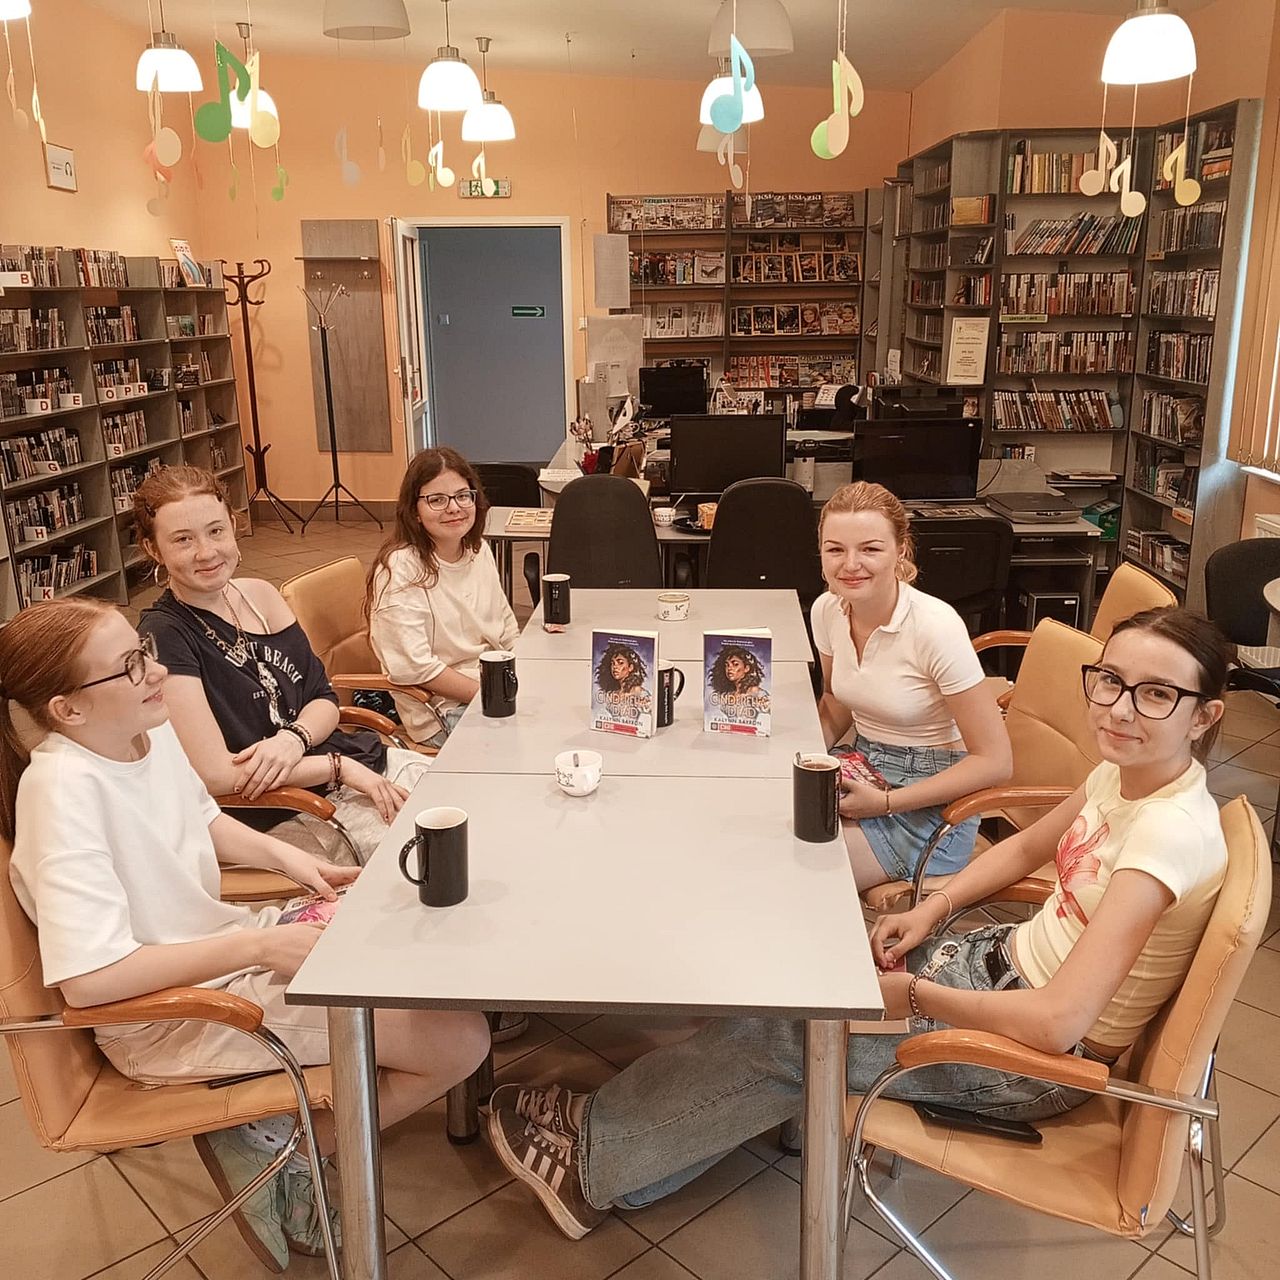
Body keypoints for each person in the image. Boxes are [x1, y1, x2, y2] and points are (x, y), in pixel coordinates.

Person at [487, 607, 1232, 1238]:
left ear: (1205, 715)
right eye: (1111, 681)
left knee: (795, 1034)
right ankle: (637, 1153)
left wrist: (915, 995)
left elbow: (1057, 1022)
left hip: (1025, 1059)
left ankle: (592, 1161)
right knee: (796, 978)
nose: (1120, 709)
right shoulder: (1125, 775)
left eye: (1156, 694)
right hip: (992, 967)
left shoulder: (1167, 836)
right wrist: (934, 908)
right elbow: (1027, 847)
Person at [2, 598, 489, 1270]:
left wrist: (296, 863)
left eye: (145, 653)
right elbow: (89, 981)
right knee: (460, 1040)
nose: (155, 672)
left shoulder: (144, 732)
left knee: (421, 944)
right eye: (130, 667)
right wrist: (257, 946)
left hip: (225, 955)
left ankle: (277, 1131)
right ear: (68, 709)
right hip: (170, 1017)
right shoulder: (62, 792)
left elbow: (202, 819)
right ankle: (287, 1146)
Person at [135, 466, 423, 864]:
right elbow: (216, 774)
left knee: (471, 797)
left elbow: (322, 698)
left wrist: (294, 739)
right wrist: (336, 768)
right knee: (430, 849)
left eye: (216, 531)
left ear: (232, 525)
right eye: (183, 540)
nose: (207, 552)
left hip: (343, 764)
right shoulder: (164, 635)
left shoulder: (260, 596)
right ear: (153, 549)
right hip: (280, 808)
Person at [812, 481, 1013, 890]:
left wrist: (886, 803)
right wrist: (806, 756)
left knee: (799, 865)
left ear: (900, 550)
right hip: (863, 767)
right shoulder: (827, 610)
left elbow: (996, 762)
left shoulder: (934, 627)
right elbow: (836, 700)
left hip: (933, 803)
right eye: (835, 550)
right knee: (758, 821)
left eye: (870, 549)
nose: (850, 564)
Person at [366, 447, 519, 747]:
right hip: (442, 708)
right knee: (531, 743)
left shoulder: (478, 550)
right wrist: (493, 693)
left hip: (492, 684)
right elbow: (416, 668)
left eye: (463, 496)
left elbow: (507, 629)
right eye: (437, 500)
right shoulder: (401, 569)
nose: (454, 508)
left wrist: (525, 678)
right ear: (414, 511)